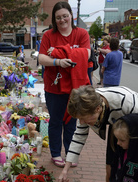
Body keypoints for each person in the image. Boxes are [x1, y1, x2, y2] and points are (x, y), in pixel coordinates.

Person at [38, 1, 90, 168]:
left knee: (71, 122)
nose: (62, 20)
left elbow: (87, 54)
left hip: (75, 87)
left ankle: (70, 153)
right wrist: (59, 61)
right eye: (58, 17)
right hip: (54, 87)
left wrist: (56, 51)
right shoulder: (48, 35)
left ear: (71, 16)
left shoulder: (81, 33)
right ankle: (55, 153)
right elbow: (41, 58)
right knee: (55, 121)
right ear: (54, 19)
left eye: (65, 16)